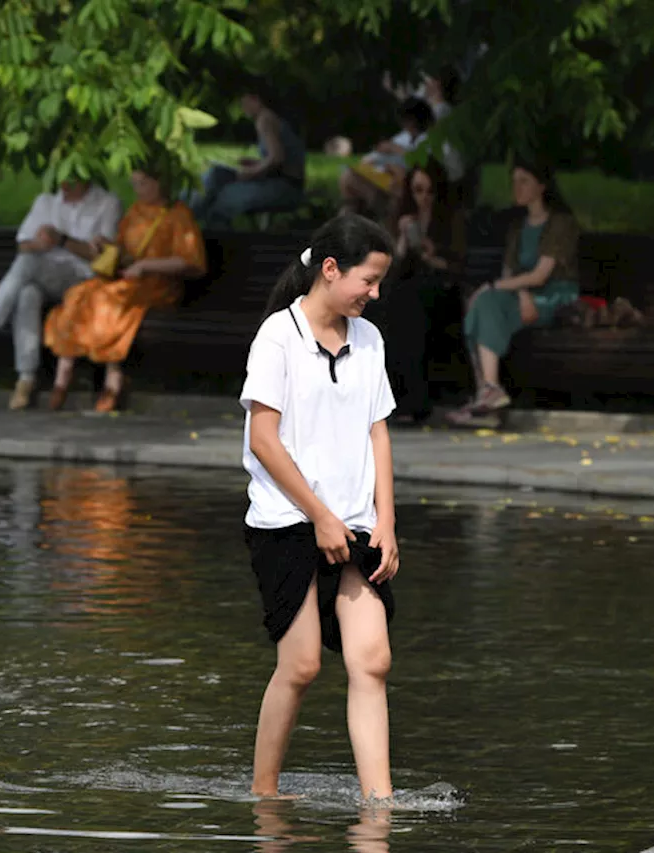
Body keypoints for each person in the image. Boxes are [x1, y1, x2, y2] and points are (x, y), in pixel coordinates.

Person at [239, 213, 401, 802]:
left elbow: (377, 431)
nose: (375, 294)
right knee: (302, 664)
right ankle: (265, 795)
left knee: (372, 659)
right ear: (331, 270)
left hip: (357, 522)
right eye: (369, 280)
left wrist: (386, 521)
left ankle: (378, 807)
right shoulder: (277, 337)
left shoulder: (370, 340)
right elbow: (263, 439)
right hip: (287, 523)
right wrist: (320, 516)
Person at [0, 180, 122, 410]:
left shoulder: (106, 203)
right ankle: (26, 380)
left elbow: (102, 256)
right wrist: (41, 243)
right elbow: (24, 245)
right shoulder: (46, 202)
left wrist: (62, 240)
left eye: (70, 180)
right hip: (42, 275)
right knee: (27, 294)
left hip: (83, 280)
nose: (64, 185)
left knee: (28, 266)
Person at [43, 162, 206, 413]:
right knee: (80, 294)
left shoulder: (178, 215)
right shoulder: (136, 211)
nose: (138, 190)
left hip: (157, 285)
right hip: (128, 279)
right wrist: (104, 245)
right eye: (135, 184)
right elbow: (124, 253)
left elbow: (192, 263)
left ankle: (113, 381)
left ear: (159, 183)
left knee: (110, 300)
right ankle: (63, 376)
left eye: (142, 183)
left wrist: (147, 265)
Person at [447, 159, 579, 422]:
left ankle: (485, 394)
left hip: (555, 295)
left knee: (486, 300)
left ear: (541, 186)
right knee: (483, 303)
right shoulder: (518, 228)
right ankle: (489, 391)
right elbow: (513, 274)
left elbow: (540, 275)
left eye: (524, 181)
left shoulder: (560, 224)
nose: (516, 188)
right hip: (527, 295)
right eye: (514, 182)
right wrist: (521, 294)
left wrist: (494, 286)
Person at [364, 161, 467, 422]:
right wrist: (401, 239)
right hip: (406, 288)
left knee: (408, 304)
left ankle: (413, 401)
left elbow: (457, 267)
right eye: (418, 190)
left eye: (430, 191)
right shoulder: (400, 217)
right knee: (390, 304)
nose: (424, 197)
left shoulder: (450, 220)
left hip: (441, 290)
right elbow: (389, 267)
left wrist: (433, 255)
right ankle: (393, 398)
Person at [190, 92, 307, 230]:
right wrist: (254, 163)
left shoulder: (265, 119)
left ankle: (192, 221)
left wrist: (251, 172)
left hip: (287, 188)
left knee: (223, 200)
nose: (243, 108)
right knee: (217, 177)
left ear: (256, 100)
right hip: (286, 183)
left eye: (245, 103)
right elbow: (278, 158)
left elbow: (277, 159)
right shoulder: (271, 118)